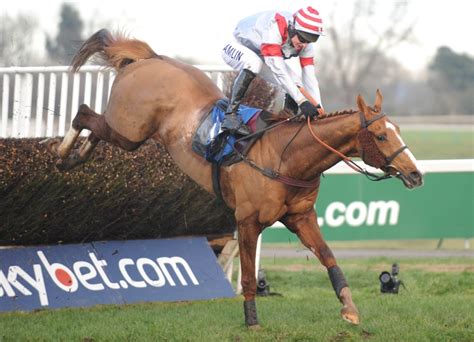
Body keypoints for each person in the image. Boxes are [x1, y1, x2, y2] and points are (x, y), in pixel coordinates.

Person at [221, 6, 326, 135]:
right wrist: (302, 101)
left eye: (311, 40)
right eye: (303, 38)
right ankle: (230, 116)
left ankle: (287, 125)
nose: (304, 44)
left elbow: (310, 78)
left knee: (296, 83)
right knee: (254, 63)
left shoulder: (306, 45)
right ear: (293, 28)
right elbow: (279, 70)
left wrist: (319, 108)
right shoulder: (275, 26)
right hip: (235, 46)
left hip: (261, 54)